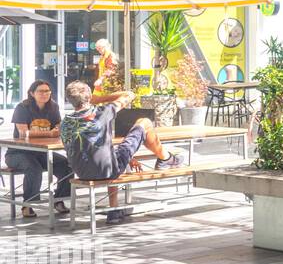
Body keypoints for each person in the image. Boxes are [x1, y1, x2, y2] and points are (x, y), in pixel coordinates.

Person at [59, 81, 185, 224]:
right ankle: (166, 158)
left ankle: (114, 210)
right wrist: (98, 99)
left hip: (82, 172)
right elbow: (128, 95)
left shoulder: (65, 122)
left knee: (107, 157)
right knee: (145, 122)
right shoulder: (101, 113)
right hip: (108, 170)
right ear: (88, 97)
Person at [6, 80, 72, 218]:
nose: (44, 94)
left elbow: (59, 127)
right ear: (32, 93)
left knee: (67, 166)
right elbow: (23, 133)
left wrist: (58, 130)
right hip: (17, 153)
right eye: (40, 91)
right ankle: (28, 205)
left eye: (47, 91)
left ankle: (59, 200)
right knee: (34, 168)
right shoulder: (22, 107)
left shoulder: (53, 107)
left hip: (41, 153)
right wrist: (49, 133)